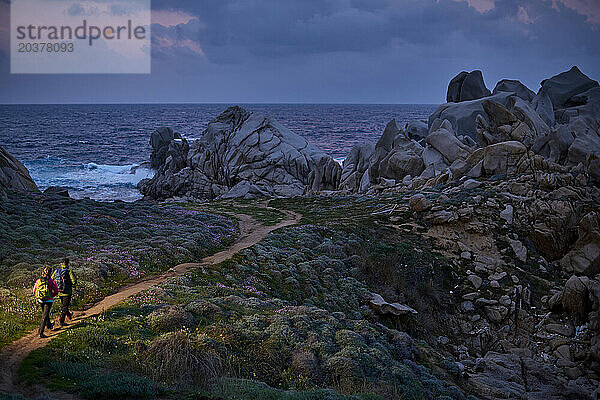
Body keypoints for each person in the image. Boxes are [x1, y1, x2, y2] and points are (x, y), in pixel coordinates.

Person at [33, 266, 59, 338]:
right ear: (50, 273)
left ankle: (49, 325)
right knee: (44, 315)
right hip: (49, 300)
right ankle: (41, 332)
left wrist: (38, 296)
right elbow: (56, 291)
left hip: (40, 300)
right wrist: (51, 295)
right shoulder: (52, 281)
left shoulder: (38, 280)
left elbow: (34, 290)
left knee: (45, 313)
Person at [52, 257, 77, 326]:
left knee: (64, 305)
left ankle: (69, 315)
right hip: (67, 292)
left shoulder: (56, 271)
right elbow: (74, 281)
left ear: (61, 263)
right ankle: (61, 321)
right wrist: (71, 285)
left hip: (59, 291)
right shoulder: (69, 271)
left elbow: (51, 279)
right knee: (65, 307)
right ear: (68, 263)